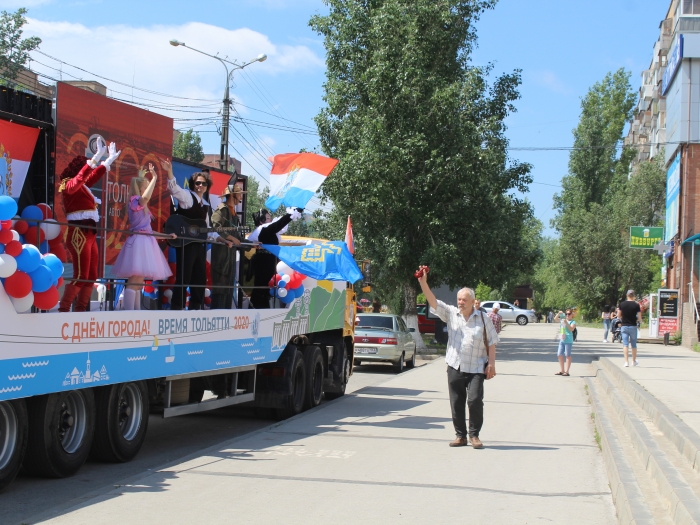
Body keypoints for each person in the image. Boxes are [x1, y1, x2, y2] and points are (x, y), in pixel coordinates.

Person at [417, 270, 498, 449]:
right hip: (455, 365)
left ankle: (474, 435)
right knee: (456, 402)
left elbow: (492, 342)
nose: (460, 302)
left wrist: (491, 364)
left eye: (464, 300)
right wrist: (423, 282)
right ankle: (460, 436)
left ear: (472, 302)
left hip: (476, 366)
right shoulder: (451, 314)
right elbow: (433, 302)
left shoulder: (483, 318)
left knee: (474, 400)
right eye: (459, 299)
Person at [58, 139, 121, 312]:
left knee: (91, 276)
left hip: (90, 233)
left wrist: (107, 161)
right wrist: (96, 157)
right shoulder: (68, 185)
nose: (87, 172)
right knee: (81, 275)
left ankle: (80, 310)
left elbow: (90, 177)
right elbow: (79, 179)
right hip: (79, 232)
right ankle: (63, 310)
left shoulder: (82, 186)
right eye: (85, 168)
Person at [162, 159, 232, 310]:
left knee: (200, 278)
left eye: (203, 183)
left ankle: (195, 309)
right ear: (193, 184)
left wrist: (222, 239)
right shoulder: (188, 196)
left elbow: (208, 229)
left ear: (207, 186)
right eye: (198, 183)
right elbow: (175, 190)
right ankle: (177, 308)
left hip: (199, 245)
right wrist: (169, 172)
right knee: (183, 277)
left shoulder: (205, 205)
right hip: (185, 243)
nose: (200, 186)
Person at [112, 164, 173, 310]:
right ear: (140, 188)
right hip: (139, 242)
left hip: (145, 241)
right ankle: (130, 314)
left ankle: (137, 313)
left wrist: (167, 236)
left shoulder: (142, 205)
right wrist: (155, 178)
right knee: (135, 280)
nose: (148, 189)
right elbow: (145, 198)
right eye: (146, 186)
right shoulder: (135, 201)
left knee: (139, 283)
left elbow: (149, 231)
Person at [247, 207, 301, 309]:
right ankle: (257, 310)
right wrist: (290, 215)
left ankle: (263, 309)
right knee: (262, 288)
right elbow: (278, 224)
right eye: (268, 218)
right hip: (263, 263)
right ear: (261, 221)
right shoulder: (263, 230)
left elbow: (278, 225)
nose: (270, 220)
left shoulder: (269, 231)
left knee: (267, 288)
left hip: (270, 262)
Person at [210, 185, 244, 309]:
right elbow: (215, 228)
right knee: (220, 291)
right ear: (232, 195)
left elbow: (238, 238)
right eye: (239, 194)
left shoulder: (234, 213)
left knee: (229, 290)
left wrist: (253, 244)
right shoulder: (222, 209)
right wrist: (231, 238)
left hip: (230, 258)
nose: (241, 197)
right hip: (221, 258)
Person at [617, 290, 642, 367]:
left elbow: (618, 315)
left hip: (624, 326)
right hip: (633, 326)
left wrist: (623, 317)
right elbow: (639, 318)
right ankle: (633, 361)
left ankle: (626, 362)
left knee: (625, 344)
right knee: (633, 344)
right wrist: (637, 320)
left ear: (627, 295)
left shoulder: (622, 304)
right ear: (634, 296)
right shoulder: (636, 305)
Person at [555, 309, 576, 376]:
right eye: (566, 314)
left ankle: (567, 371)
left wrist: (566, 323)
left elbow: (571, 329)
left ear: (572, 315)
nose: (567, 315)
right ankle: (562, 370)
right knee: (559, 354)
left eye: (569, 314)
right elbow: (555, 319)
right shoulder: (562, 320)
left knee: (567, 355)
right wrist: (559, 314)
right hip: (562, 339)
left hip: (568, 340)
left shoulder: (573, 322)